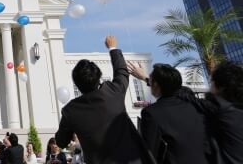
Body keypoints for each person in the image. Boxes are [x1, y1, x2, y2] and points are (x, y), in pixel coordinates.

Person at [55, 36, 154, 164]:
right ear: (99, 77)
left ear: (77, 83)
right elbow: (122, 72)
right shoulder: (113, 92)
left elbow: (61, 141)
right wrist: (112, 48)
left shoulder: (71, 110)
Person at [131, 60, 243, 163]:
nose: (210, 87)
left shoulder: (219, 113)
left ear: (221, 88)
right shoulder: (211, 109)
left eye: (212, 82)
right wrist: (150, 80)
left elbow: (149, 153)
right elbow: (180, 91)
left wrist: (154, 81)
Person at [133, 63, 210, 163]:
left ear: (155, 84)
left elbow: (149, 152)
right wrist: (147, 78)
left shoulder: (151, 113)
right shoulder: (196, 104)